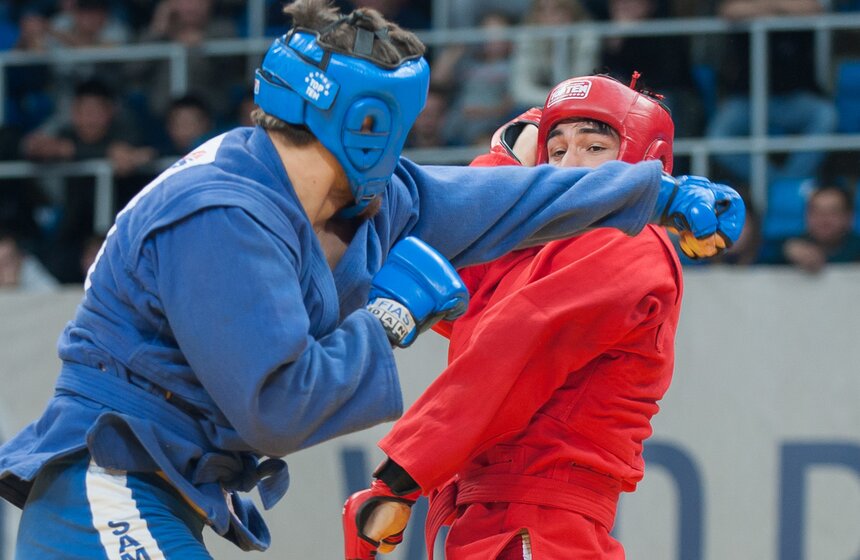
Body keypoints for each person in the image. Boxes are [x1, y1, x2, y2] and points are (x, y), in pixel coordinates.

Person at [0, 1, 741, 558]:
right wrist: (388, 321)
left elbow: (493, 207)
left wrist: (660, 195)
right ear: (365, 123)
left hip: (159, 490)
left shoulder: (357, 195)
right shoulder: (222, 216)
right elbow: (276, 409)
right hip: (107, 485)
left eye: (594, 143)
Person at [343, 74, 737, 559]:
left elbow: (513, 347)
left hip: (538, 522)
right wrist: (504, 166)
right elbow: (474, 288)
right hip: (504, 517)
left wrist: (399, 480)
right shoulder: (550, 252)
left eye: (594, 148)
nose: (570, 167)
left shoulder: (629, 243)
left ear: (643, 164)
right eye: (556, 151)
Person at [768, 185, 860, 272]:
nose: (824, 219)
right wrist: (787, 249)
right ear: (806, 216)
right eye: (816, 212)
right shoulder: (793, 244)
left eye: (833, 212)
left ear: (849, 217)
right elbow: (761, 251)